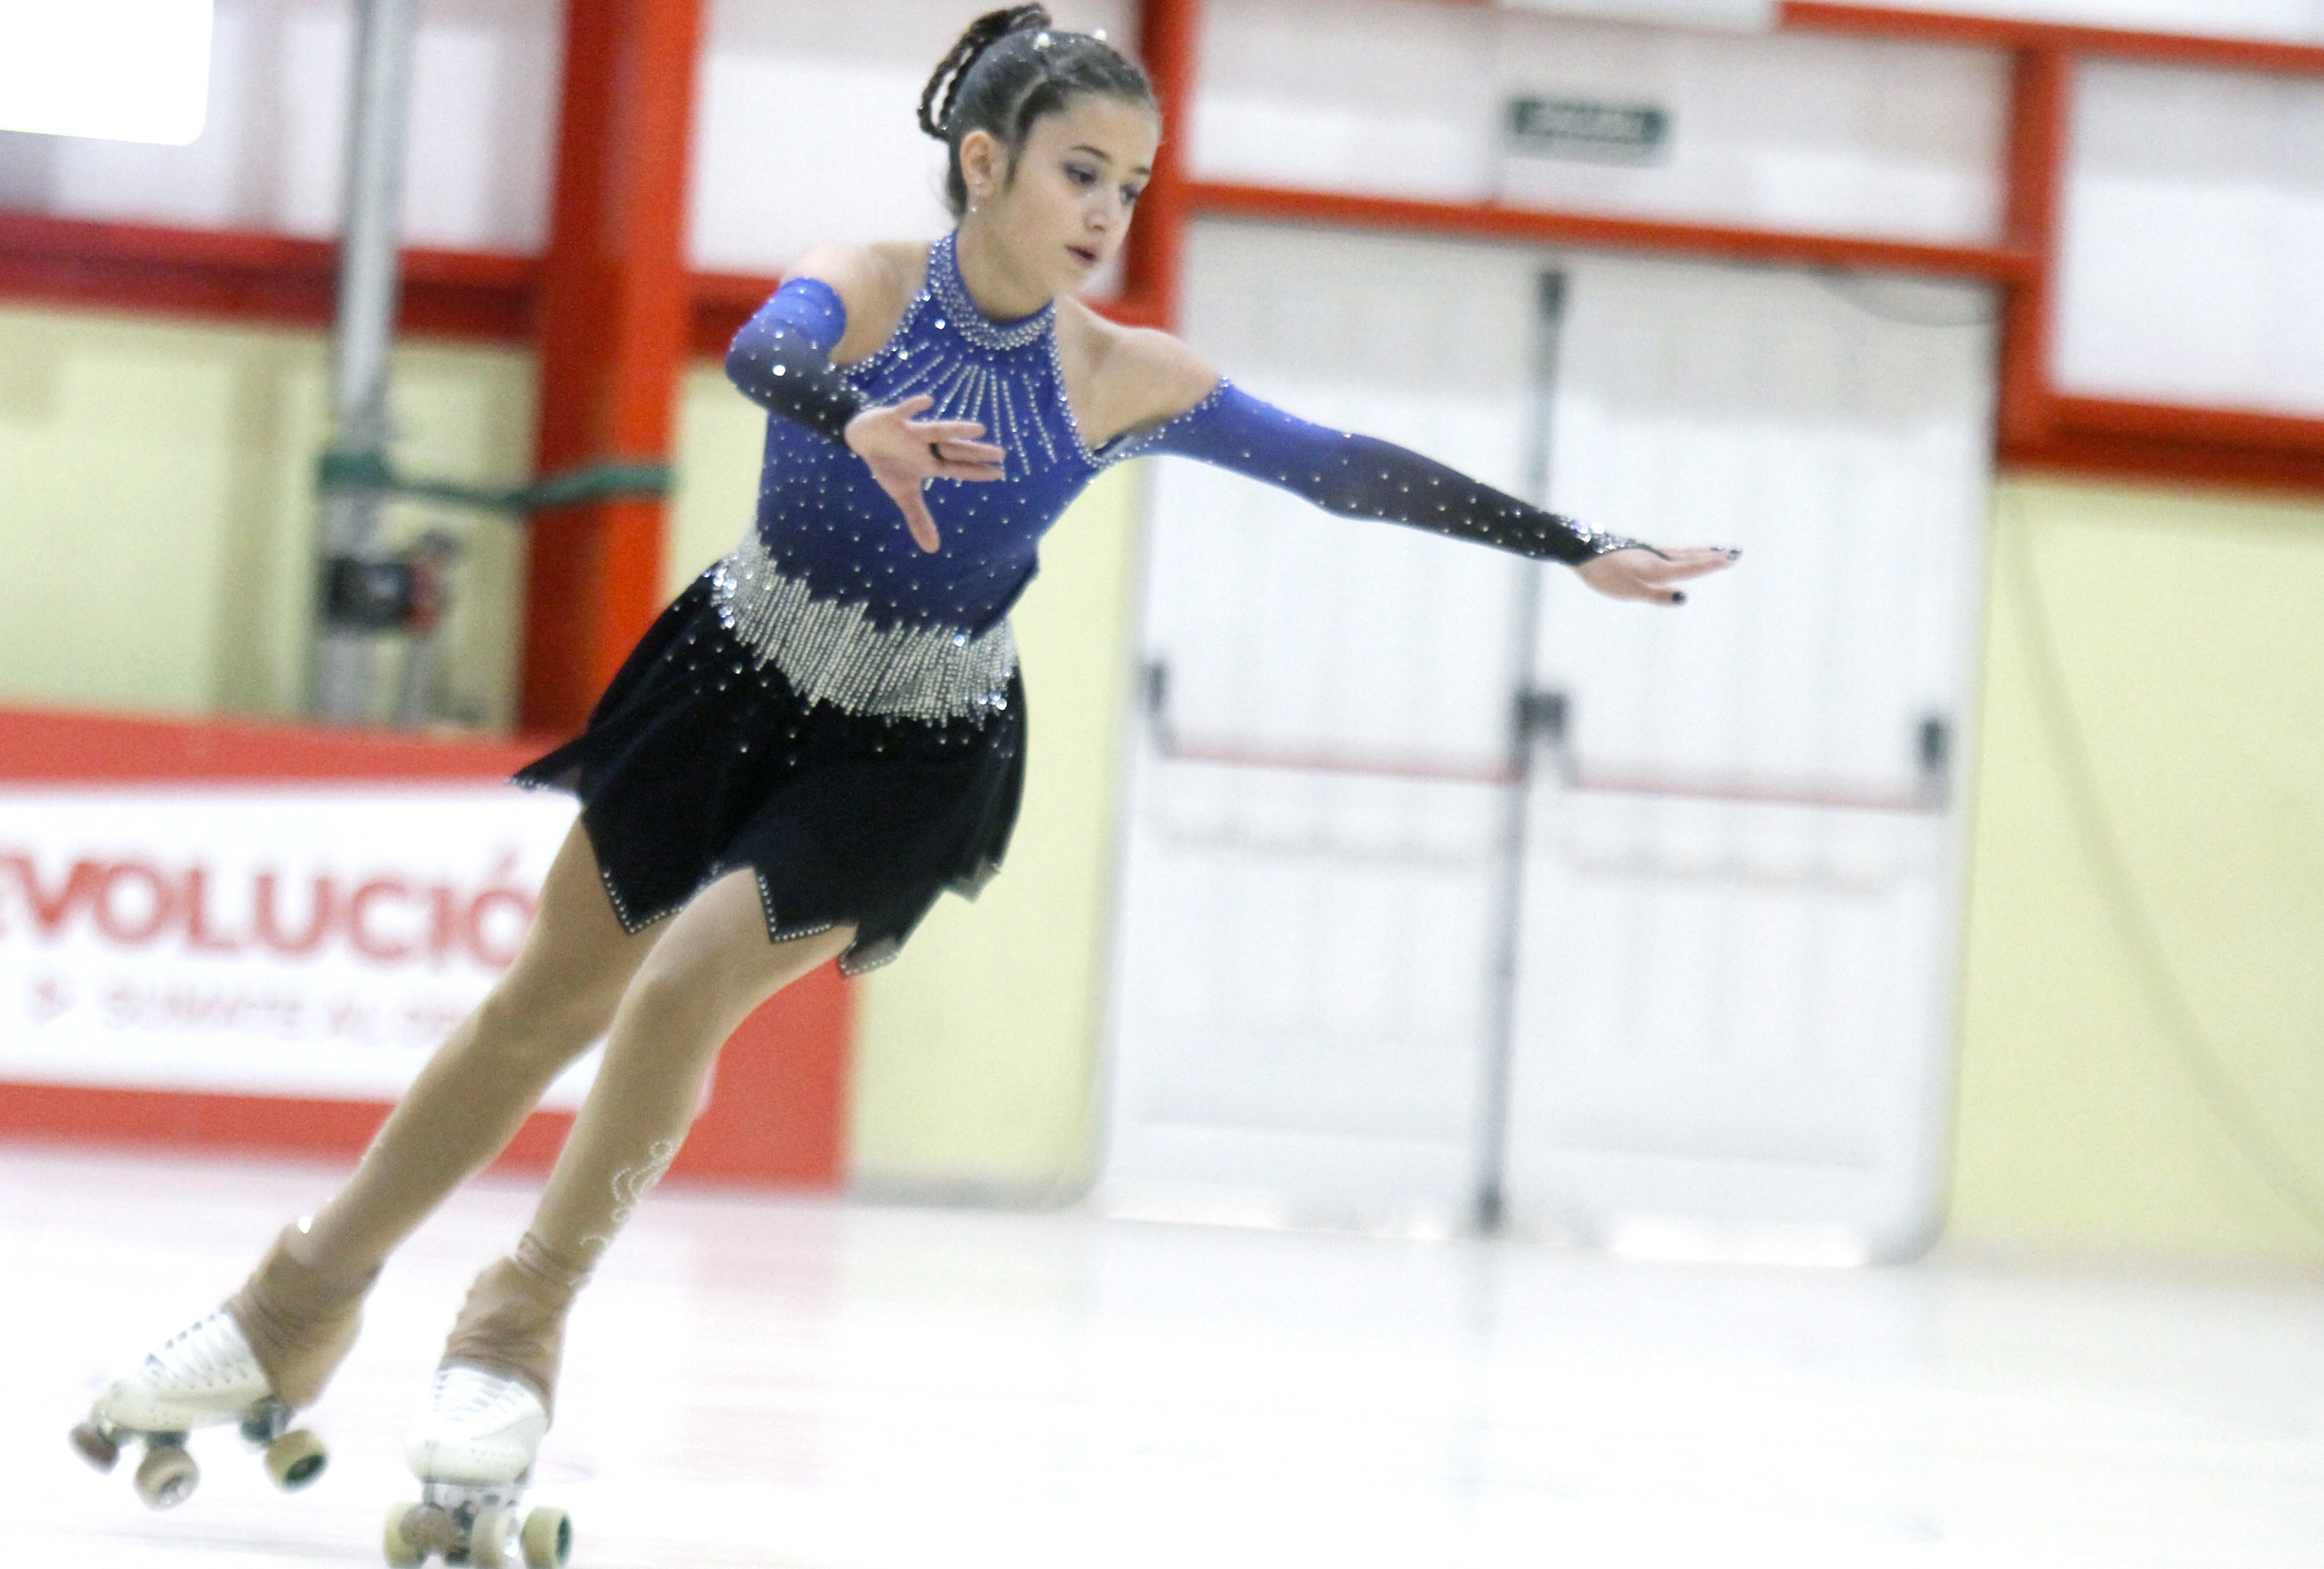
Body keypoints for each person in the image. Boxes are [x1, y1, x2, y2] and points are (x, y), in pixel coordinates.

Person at [72, 6, 1737, 1560]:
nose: (1109, 213)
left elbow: (1342, 470)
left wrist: (1571, 542)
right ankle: (293, 1307)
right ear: (985, 162)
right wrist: (859, 413)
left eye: (1131, 184)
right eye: (1082, 172)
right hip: (733, 676)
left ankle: (514, 1329)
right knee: (537, 1009)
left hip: (912, 746)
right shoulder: (864, 288)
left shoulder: (1117, 375)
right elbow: (759, 354)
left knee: (688, 982)